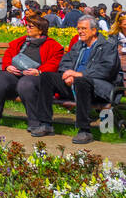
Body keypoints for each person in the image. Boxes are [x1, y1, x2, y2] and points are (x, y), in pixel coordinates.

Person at [36, 14, 122, 144]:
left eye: (84, 28)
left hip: (100, 88)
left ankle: (84, 131)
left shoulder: (107, 46)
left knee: (82, 81)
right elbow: (66, 62)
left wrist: (79, 75)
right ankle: (45, 123)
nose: (80, 31)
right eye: (78, 28)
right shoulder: (78, 45)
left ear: (94, 30)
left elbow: (106, 70)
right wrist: (67, 74)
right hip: (76, 84)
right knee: (46, 77)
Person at [0, 13, 64, 133]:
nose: (27, 28)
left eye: (31, 26)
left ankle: (35, 122)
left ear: (40, 30)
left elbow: (55, 63)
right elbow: (8, 55)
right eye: (27, 25)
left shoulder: (53, 46)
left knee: (26, 84)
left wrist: (39, 71)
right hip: (16, 73)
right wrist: (8, 66)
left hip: (37, 76)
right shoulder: (21, 42)